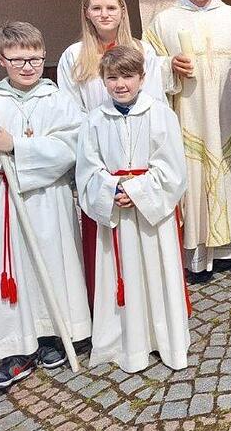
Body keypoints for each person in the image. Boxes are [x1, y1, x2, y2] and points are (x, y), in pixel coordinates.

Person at [0, 22, 89, 388]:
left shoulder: (57, 99)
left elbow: (72, 147)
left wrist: (18, 146)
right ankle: (16, 347)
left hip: (49, 199)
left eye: (35, 58)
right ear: (2, 59)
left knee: (53, 263)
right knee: (12, 268)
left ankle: (52, 336)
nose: (28, 67)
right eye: (18, 60)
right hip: (4, 200)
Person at [144, 0, 231, 283]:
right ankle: (199, 257)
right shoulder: (163, 21)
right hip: (191, 118)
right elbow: (145, 66)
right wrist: (168, 65)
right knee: (195, 183)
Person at [76, 45, 191, 372]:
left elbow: (173, 169)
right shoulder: (95, 120)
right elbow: (87, 169)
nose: (120, 84)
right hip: (117, 215)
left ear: (142, 77)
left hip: (152, 217)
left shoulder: (160, 114)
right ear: (103, 80)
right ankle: (129, 344)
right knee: (122, 276)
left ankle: (166, 340)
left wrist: (137, 190)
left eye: (127, 76)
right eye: (112, 78)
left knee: (158, 274)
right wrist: (112, 189)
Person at [57, 0, 166, 309]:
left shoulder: (143, 52)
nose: (104, 14)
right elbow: (70, 114)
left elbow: (155, 107)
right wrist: (103, 170)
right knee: (109, 248)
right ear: (86, 13)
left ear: (122, 11)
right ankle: (113, 312)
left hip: (141, 162)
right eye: (97, 8)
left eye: (111, 7)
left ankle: (151, 309)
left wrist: (141, 173)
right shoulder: (74, 56)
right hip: (100, 163)